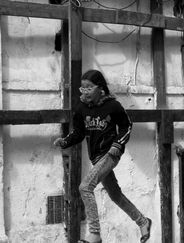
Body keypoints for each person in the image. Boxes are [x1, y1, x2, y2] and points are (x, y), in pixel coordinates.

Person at [54, 70, 152, 243]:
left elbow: (126, 126)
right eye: (82, 88)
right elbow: (78, 132)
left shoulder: (113, 106)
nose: (85, 91)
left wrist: (118, 144)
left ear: (100, 89)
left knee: (85, 187)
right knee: (115, 195)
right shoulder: (81, 108)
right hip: (96, 158)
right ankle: (143, 221)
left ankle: (95, 233)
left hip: (110, 154)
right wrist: (64, 141)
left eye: (89, 87)